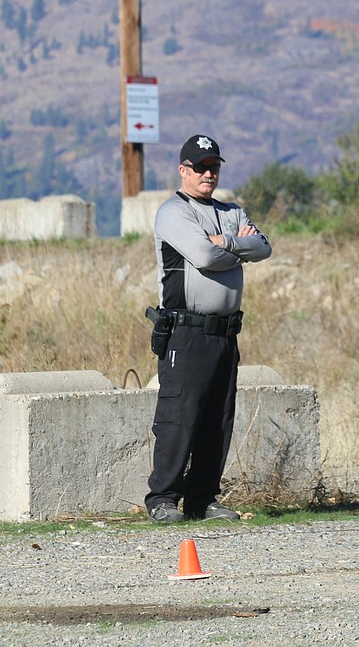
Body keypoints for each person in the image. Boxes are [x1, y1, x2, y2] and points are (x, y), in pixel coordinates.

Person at [145, 134, 272, 523]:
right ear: (183, 170)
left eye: (213, 166)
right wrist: (235, 248)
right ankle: (163, 499)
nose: (208, 173)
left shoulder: (231, 212)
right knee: (180, 416)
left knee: (218, 419)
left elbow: (264, 247)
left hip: (225, 333)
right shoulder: (174, 212)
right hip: (187, 329)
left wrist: (224, 241)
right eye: (200, 167)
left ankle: (203, 499)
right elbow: (202, 254)